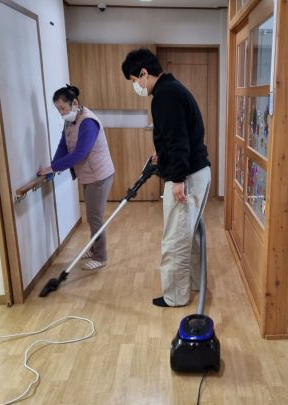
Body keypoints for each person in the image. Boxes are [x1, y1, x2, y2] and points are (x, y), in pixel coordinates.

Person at [121, 48, 211, 308]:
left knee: (175, 239)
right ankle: (194, 283)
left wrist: (178, 179)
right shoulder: (172, 89)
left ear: (144, 73)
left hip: (187, 176)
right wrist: (162, 154)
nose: (136, 86)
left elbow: (179, 140)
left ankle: (175, 296)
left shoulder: (165, 96)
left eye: (134, 80)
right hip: (197, 171)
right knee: (188, 234)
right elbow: (179, 135)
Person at [38, 85, 115, 270]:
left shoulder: (88, 122)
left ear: (75, 103)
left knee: (94, 217)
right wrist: (53, 166)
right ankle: (94, 248)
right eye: (58, 110)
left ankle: (101, 257)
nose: (61, 113)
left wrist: (53, 167)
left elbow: (80, 153)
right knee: (92, 215)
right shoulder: (70, 121)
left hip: (99, 176)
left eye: (63, 108)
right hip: (87, 175)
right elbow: (63, 146)